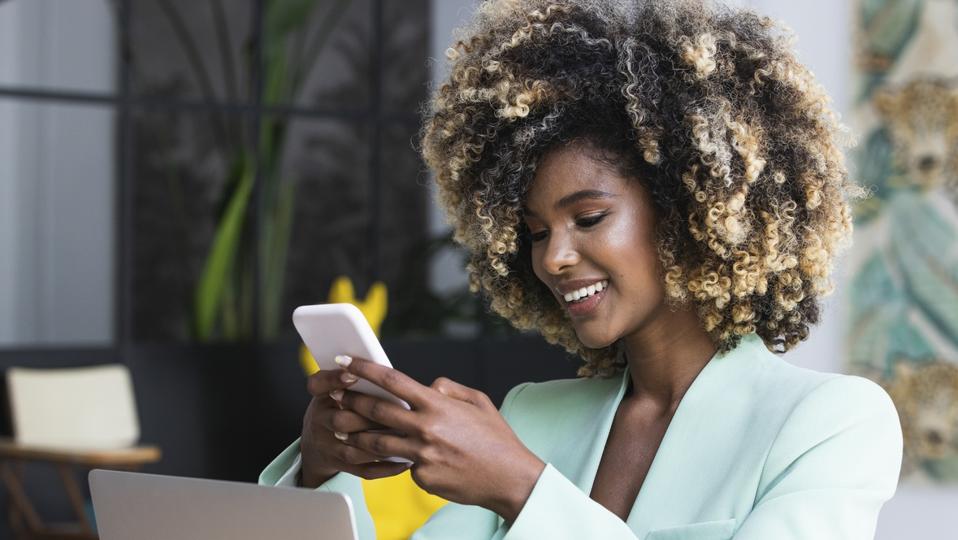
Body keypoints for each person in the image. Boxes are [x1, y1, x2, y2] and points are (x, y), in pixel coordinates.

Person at [259, 0, 904, 538]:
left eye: (588, 218)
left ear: (689, 208)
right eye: (535, 232)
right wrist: (322, 472)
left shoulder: (831, 422)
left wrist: (521, 486)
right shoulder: (532, 418)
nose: (552, 257)